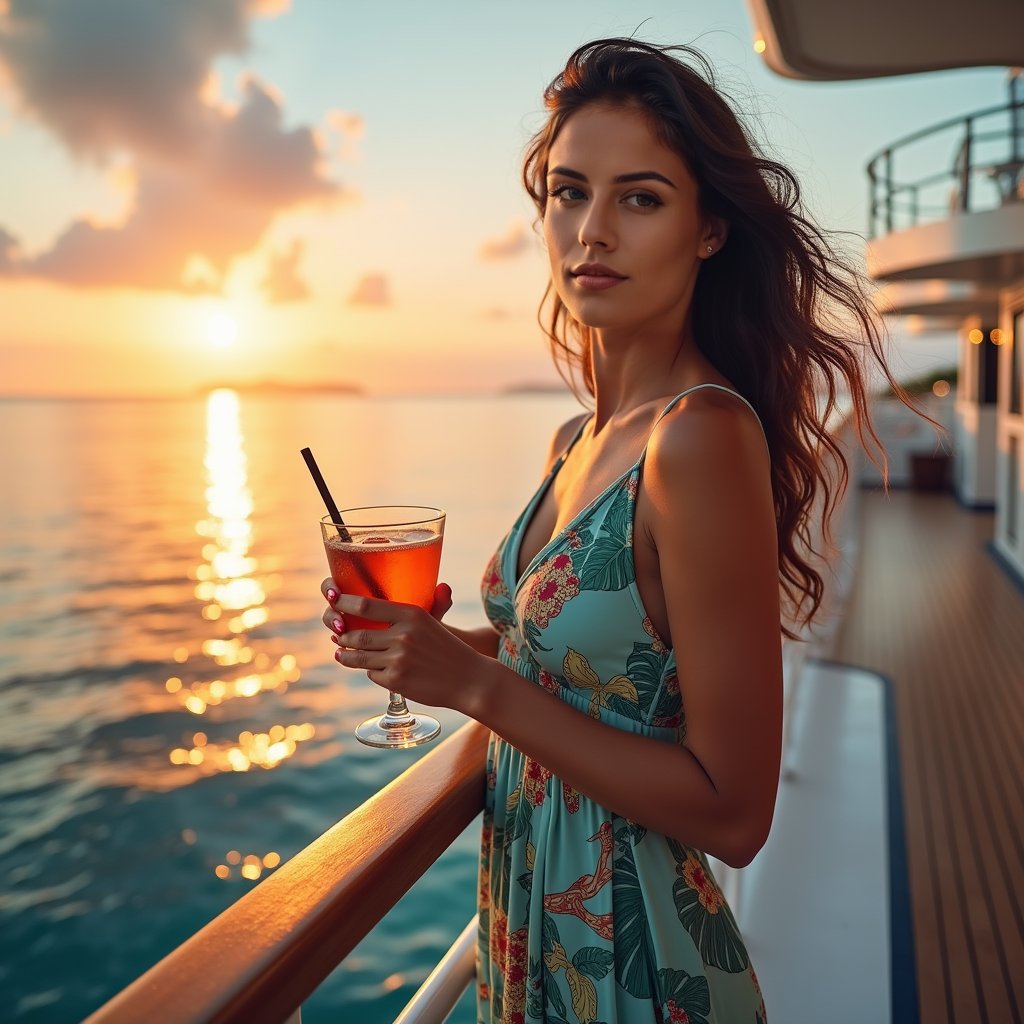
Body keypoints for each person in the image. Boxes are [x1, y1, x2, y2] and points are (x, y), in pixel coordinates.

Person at [321, 37, 926, 1024]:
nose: (590, 230)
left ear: (707, 231)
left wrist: (472, 684)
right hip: (533, 940)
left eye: (638, 198)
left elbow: (734, 812)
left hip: (633, 967)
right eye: (568, 192)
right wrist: (427, 651)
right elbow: (591, 677)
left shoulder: (700, 438)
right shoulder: (577, 436)